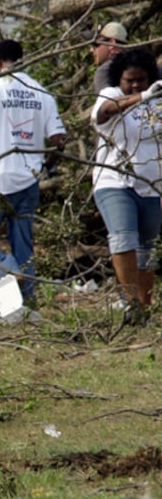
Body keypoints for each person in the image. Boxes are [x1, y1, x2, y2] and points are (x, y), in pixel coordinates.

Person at [0, 39, 66, 300]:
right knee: (23, 242)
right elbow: (59, 142)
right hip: (28, 181)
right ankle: (27, 303)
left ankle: (6, 271)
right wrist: (45, 169)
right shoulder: (41, 92)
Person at [91, 48, 162, 324]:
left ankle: (145, 308)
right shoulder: (110, 96)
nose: (134, 85)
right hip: (114, 181)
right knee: (123, 237)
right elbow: (102, 114)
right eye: (129, 80)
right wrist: (141, 97)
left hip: (152, 185)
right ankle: (130, 303)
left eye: (141, 81)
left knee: (148, 248)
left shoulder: (157, 101)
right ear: (119, 80)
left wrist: (152, 98)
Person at [91, 22, 128, 94]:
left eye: (96, 45)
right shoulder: (145, 63)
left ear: (111, 44)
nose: (91, 50)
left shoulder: (105, 70)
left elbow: (106, 103)